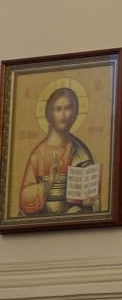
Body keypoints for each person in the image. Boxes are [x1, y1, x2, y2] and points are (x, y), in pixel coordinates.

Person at [18, 87, 97, 216]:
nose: (63, 115)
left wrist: (89, 202)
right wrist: (49, 183)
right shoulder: (39, 154)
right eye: (58, 109)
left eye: (68, 108)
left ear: (74, 113)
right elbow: (24, 198)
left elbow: (93, 198)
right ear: (50, 113)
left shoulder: (80, 152)